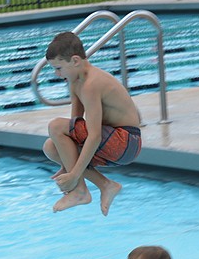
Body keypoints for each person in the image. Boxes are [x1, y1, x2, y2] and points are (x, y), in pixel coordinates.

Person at [42, 32, 142, 215]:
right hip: (113, 141)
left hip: (126, 142)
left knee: (55, 126)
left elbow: (94, 136)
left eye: (59, 68)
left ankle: (79, 191)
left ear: (75, 61)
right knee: (51, 147)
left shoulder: (91, 84)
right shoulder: (75, 81)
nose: (57, 74)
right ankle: (106, 185)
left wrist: (73, 175)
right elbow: (75, 126)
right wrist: (67, 163)